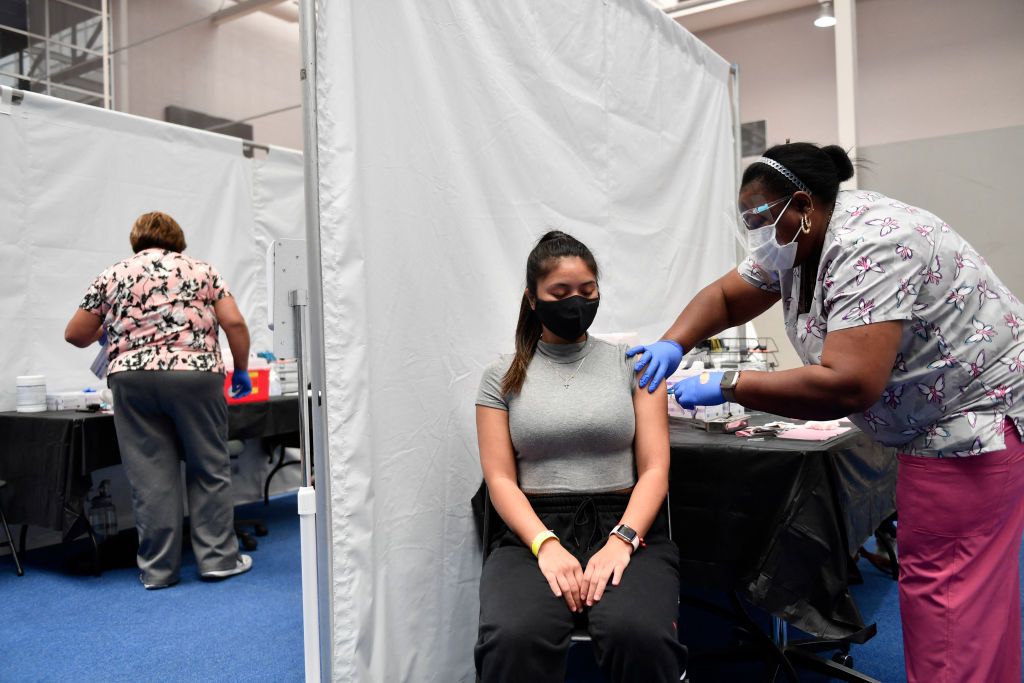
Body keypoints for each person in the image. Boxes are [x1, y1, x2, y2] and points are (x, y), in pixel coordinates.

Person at [629, 142, 1024, 683]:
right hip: (944, 427)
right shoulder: (799, 238)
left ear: (802, 204)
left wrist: (730, 383)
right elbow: (727, 297)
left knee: (948, 603)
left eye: (762, 218)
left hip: (968, 430)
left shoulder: (874, 243)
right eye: (747, 220)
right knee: (976, 601)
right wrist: (673, 342)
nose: (757, 232)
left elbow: (849, 384)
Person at [474, 231, 687, 682]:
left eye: (587, 292)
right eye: (561, 293)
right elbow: (499, 480)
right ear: (533, 299)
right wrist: (545, 544)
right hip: (532, 532)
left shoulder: (636, 366)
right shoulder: (500, 378)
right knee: (513, 638)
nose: (576, 302)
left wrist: (622, 539)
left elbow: (655, 470)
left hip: (627, 523)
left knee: (639, 635)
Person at [64, 211, 255, 589]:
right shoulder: (202, 270)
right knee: (208, 467)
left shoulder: (113, 273)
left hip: (132, 379)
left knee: (150, 476)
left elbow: (75, 334)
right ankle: (218, 560)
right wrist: (243, 368)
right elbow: (233, 323)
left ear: (137, 240)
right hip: (195, 376)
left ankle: (158, 571)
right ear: (178, 239)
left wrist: (118, 325)